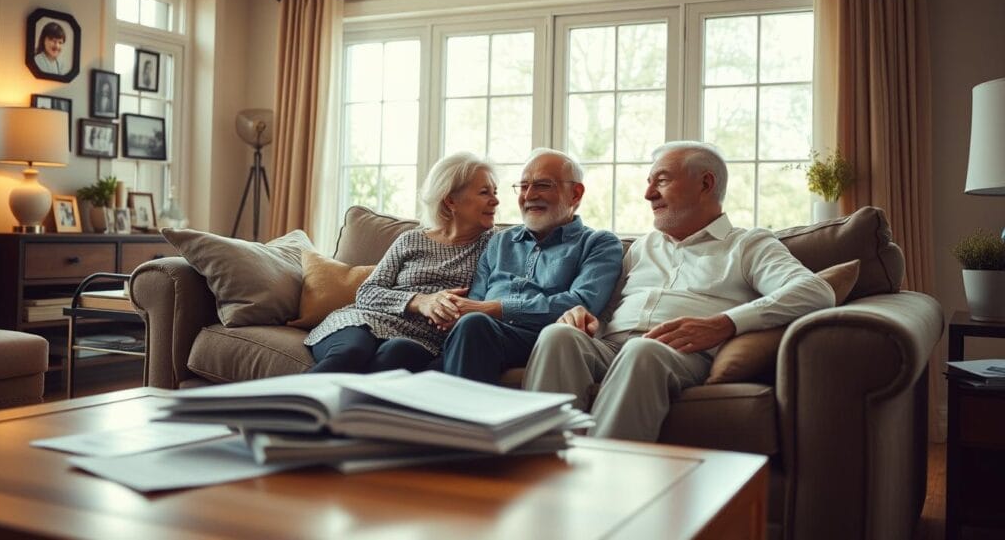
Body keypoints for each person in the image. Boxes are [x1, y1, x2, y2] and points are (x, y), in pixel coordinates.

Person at [523, 141, 836, 441]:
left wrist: (724, 323)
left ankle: (603, 480)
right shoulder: (642, 247)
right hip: (612, 348)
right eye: (649, 183)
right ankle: (536, 467)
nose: (648, 194)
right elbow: (605, 313)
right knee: (558, 335)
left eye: (661, 181)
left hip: (681, 355)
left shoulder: (748, 244)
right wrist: (583, 317)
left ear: (705, 184)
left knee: (643, 351)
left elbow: (816, 292)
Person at [427, 148, 623, 384]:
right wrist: (450, 311)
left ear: (575, 193)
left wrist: (494, 309)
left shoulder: (599, 243)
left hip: (546, 338)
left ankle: (457, 418)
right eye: (523, 186)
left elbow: (581, 302)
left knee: (474, 324)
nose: (529, 195)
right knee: (404, 352)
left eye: (542, 185)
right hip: (481, 332)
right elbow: (475, 301)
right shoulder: (499, 241)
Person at [304, 152, 499, 373]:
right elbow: (366, 293)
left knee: (398, 353)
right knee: (351, 352)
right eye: (485, 192)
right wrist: (420, 301)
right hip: (364, 321)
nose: (496, 200)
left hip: (422, 340)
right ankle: (284, 405)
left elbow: (490, 301)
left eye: (495, 192)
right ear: (451, 200)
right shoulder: (411, 239)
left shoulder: (494, 246)